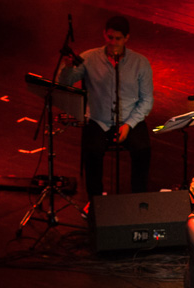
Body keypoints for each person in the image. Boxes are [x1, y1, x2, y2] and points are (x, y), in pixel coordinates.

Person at [58, 16, 153, 201]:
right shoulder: (89, 58)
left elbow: (147, 100)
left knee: (143, 149)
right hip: (98, 120)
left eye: (118, 39)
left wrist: (128, 125)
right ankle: (95, 202)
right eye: (110, 37)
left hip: (129, 120)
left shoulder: (140, 63)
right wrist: (67, 68)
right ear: (104, 34)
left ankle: (139, 199)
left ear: (126, 38)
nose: (113, 43)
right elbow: (65, 83)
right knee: (92, 152)